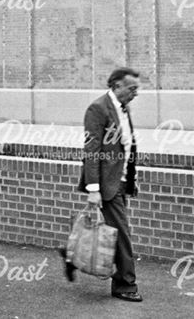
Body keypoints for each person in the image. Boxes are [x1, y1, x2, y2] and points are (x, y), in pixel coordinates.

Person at [68, 67, 142, 302]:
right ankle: (125, 285)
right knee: (122, 235)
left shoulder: (123, 108)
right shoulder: (98, 109)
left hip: (120, 182)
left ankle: (120, 279)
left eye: (136, 89)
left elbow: (127, 146)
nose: (135, 93)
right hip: (106, 185)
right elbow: (92, 151)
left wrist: (131, 179)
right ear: (117, 86)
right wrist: (93, 190)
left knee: (119, 233)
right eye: (132, 89)